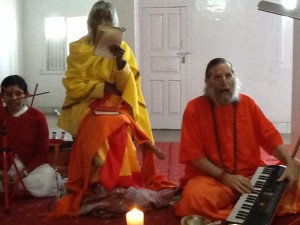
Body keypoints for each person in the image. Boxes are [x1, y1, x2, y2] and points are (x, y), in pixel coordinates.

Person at [49, 0, 177, 217]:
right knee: (100, 126)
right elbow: (73, 83)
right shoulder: (79, 48)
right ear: (90, 23)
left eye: (106, 19)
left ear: (113, 23)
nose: (101, 23)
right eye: (97, 18)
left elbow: (128, 86)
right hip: (86, 104)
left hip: (116, 103)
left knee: (120, 125)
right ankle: (100, 184)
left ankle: (120, 183)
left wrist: (120, 63)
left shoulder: (123, 48)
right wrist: (101, 87)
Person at [174, 58, 300, 222]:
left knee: (294, 181)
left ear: (235, 77)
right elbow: (194, 155)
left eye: (228, 75)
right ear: (208, 81)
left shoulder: (248, 104)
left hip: (251, 178)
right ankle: (249, 210)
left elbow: (270, 138)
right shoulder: (194, 108)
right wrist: (225, 177)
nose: (224, 82)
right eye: (218, 77)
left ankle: (240, 208)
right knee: (192, 201)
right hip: (212, 180)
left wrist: (289, 162)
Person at [0, 75, 60, 197]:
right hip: (3, 170)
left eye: (18, 93)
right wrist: (2, 174)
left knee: (48, 179)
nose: (13, 98)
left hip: (29, 169)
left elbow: (42, 152)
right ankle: (16, 190)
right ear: (2, 96)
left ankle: (12, 190)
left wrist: (22, 174)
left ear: (26, 94)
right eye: (8, 94)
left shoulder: (38, 117)